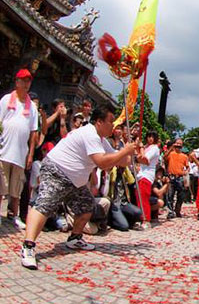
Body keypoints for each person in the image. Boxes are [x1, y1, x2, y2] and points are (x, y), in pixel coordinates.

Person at [20, 103, 137, 270]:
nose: (113, 125)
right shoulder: (90, 134)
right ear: (99, 122)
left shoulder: (102, 140)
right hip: (57, 171)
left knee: (88, 205)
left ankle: (75, 238)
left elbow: (121, 161)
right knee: (44, 205)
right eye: (111, 121)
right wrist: (125, 152)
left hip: (76, 181)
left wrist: (130, 150)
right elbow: (103, 163)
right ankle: (28, 246)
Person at [0, 69, 39, 229]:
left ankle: (13, 215)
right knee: (1, 185)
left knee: (16, 188)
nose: (25, 84)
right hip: (3, 150)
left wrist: (30, 154)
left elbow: (33, 132)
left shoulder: (32, 108)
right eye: (23, 80)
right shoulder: (6, 100)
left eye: (28, 81)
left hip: (20, 153)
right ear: (16, 82)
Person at [137, 131, 160, 226]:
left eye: (152, 137)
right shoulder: (146, 147)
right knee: (139, 197)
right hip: (140, 174)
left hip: (146, 174)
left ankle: (145, 219)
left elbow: (145, 159)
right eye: (149, 136)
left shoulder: (154, 148)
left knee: (143, 198)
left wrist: (141, 148)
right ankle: (140, 217)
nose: (150, 138)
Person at [164, 138, 188, 218]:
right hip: (171, 177)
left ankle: (177, 210)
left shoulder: (184, 156)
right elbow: (164, 157)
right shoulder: (171, 154)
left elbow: (187, 167)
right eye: (177, 143)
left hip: (180, 177)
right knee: (170, 195)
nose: (178, 145)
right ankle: (170, 212)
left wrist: (186, 172)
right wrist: (171, 148)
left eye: (180, 144)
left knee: (181, 196)